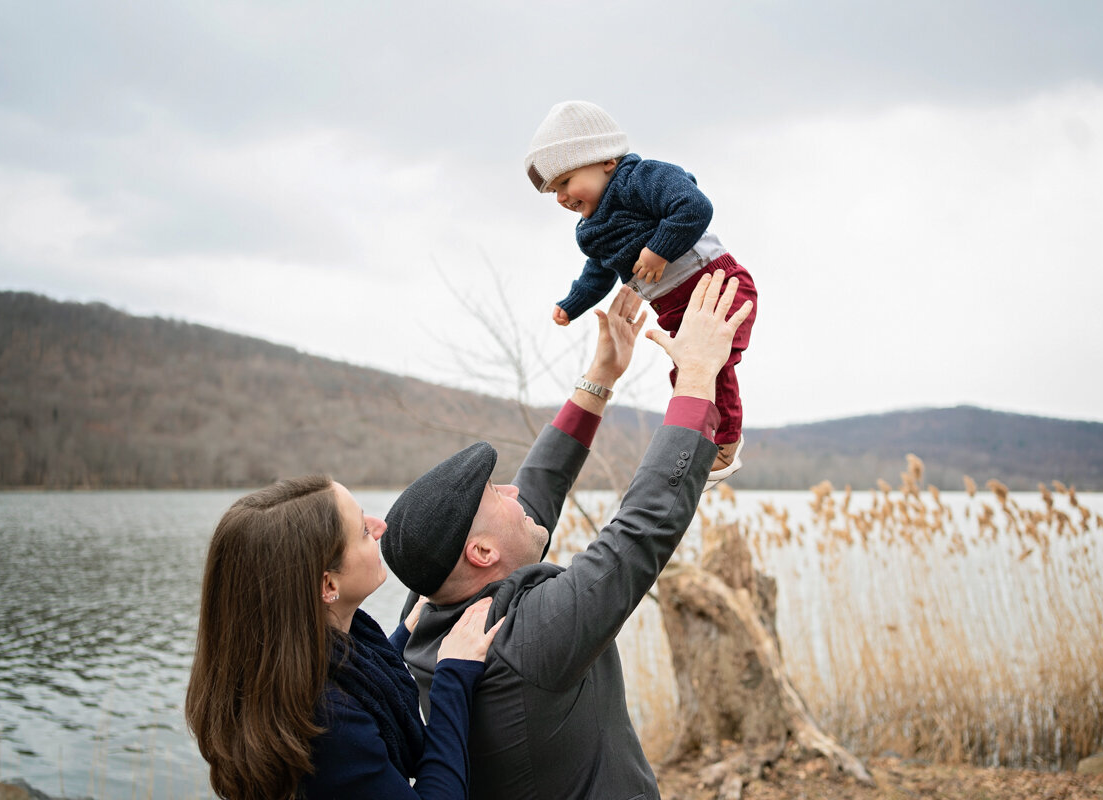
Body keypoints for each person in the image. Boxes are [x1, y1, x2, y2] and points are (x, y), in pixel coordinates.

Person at [382, 270, 752, 800]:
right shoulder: (525, 642)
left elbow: (539, 486)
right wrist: (696, 378)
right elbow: (642, 529)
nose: (515, 494)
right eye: (497, 495)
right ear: (481, 552)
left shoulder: (431, 605)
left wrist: (601, 375)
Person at [185, 475, 503, 800]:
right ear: (328, 586)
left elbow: (358, 686)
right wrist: (453, 677)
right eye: (364, 531)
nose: (380, 526)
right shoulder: (329, 726)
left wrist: (404, 634)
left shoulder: (275, 674)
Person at [525, 99, 759, 489]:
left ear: (605, 161)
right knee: (686, 375)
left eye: (565, 182)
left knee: (710, 369)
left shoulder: (642, 179)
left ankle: (727, 442)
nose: (562, 198)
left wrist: (659, 249)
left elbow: (693, 206)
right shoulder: (591, 230)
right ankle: (702, 441)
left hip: (716, 287)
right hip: (677, 309)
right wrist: (572, 305)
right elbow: (597, 273)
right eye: (554, 193)